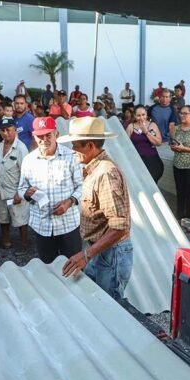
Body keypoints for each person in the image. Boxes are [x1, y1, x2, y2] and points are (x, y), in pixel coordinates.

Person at [59, 117, 132, 300]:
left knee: (109, 305)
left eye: (75, 145)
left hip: (110, 253)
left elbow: (120, 226)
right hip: (101, 251)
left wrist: (86, 255)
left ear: (90, 146)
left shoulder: (106, 173)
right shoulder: (94, 169)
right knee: (98, 300)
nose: (73, 150)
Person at [18, 116, 83, 263]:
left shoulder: (71, 157)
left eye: (48, 135)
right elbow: (21, 188)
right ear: (34, 137)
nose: (44, 139)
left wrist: (70, 202)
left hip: (68, 224)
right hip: (42, 225)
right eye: (40, 136)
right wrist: (27, 194)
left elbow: (81, 185)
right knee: (48, 268)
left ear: (56, 134)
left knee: (73, 266)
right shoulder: (29, 160)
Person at [0, 118, 29, 249]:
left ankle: (24, 245)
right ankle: (6, 241)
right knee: (3, 217)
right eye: (2, 130)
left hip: (14, 191)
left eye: (8, 130)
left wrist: (20, 193)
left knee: (20, 219)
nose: (5, 133)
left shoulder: (21, 148)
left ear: (15, 130)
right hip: (1, 190)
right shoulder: (0, 146)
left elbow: (26, 173)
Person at [126, 105, 163, 183]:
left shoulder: (152, 125)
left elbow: (159, 143)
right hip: (137, 161)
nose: (141, 118)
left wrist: (146, 132)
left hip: (152, 160)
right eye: (138, 115)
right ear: (134, 116)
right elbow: (125, 145)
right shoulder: (131, 126)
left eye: (143, 115)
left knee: (152, 183)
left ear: (146, 114)